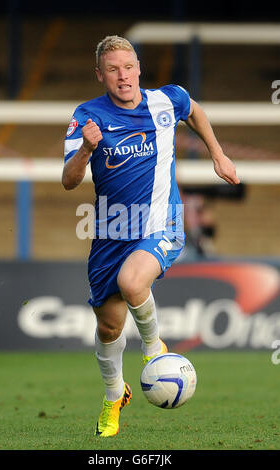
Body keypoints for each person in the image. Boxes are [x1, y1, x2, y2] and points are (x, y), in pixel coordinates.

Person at [62, 35, 240, 437]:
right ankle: (113, 397)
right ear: (100, 75)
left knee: (132, 281)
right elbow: (69, 182)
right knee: (108, 328)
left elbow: (194, 111)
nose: (123, 76)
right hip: (111, 232)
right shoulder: (87, 116)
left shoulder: (166, 100)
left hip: (162, 223)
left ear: (139, 67)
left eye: (128, 67)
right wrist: (86, 151)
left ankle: (153, 348)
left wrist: (218, 153)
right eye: (113, 69)